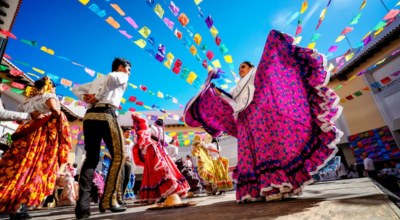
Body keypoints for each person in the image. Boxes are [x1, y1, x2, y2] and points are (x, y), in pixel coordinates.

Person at [184, 30, 343, 202]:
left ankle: (279, 185)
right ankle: (256, 191)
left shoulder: (257, 74)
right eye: (239, 69)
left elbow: (268, 77)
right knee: (248, 154)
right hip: (245, 122)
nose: (240, 70)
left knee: (267, 149)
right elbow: (229, 103)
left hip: (261, 118)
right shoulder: (237, 87)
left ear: (251, 67)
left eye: (243, 67)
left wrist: (273, 43)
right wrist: (213, 91)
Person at [0, 76, 71, 219]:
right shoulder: (49, 95)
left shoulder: (28, 100)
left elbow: (19, 119)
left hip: (23, 135)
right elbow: (55, 111)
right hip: (38, 136)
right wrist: (57, 116)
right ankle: (18, 208)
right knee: (32, 169)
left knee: (14, 168)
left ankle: (7, 201)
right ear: (50, 86)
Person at [72, 57, 131, 219]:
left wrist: (86, 98)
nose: (129, 72)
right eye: (128, 68)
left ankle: (82, 208)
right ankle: (108, 200)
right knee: (120, 156)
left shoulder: (98, 79)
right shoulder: (119, 75)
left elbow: (75, 89)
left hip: (90, 116)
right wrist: (98, 96)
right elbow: (113, 78)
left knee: (91, 159)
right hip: (106, 115)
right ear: (120, 67)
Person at [131, 114, 190, 204]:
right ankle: (163, 193)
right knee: (161, 172)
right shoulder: (161, 131)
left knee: (155, 172)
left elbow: (143, 137)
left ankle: (161, 193)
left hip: (154, 151)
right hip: (160, 151)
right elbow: (169, 141)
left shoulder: (153, 129)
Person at [118, 126, 135, 203]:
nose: (129, 134)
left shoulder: (131, 142)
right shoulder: (119, 140)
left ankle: (122, 196)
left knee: (127, 179)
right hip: (121, 161)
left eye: (130, 132)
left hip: (128, 162)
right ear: (123, 132)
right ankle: (119, 197)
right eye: (128, 132)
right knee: (121, 179)